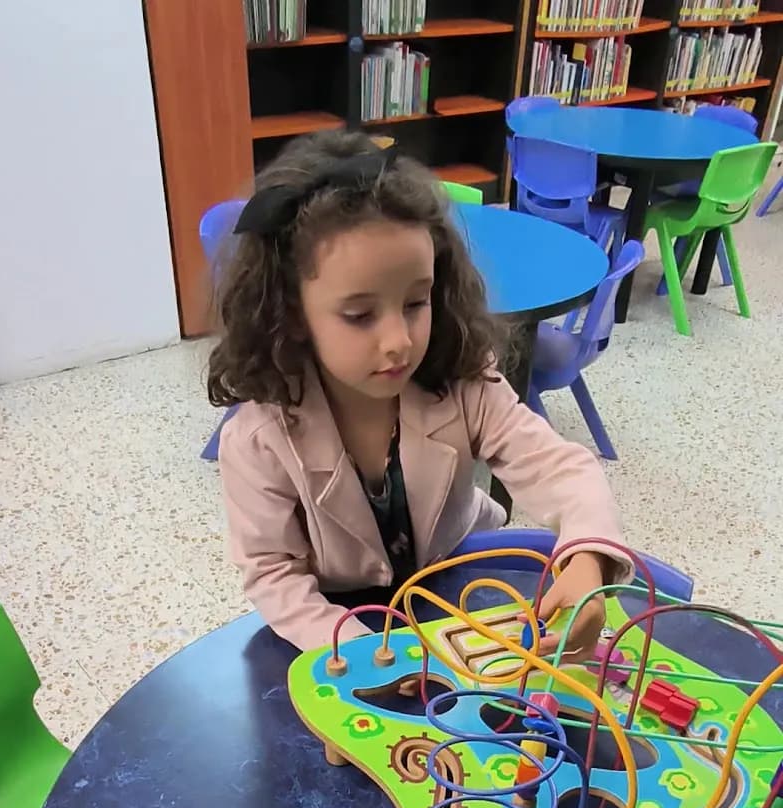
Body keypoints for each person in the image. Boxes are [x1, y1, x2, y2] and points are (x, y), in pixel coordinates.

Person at [210, 131, 631, 656]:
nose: (399, 342)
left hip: (453, 577)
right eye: (360, 315)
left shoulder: (463, 382)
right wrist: (370, 659)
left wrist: (587, 562)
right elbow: (275, 575)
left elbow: (563, 470)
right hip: (338, 617)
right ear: (293, 314)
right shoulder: (259, 439)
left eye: (416, 302)